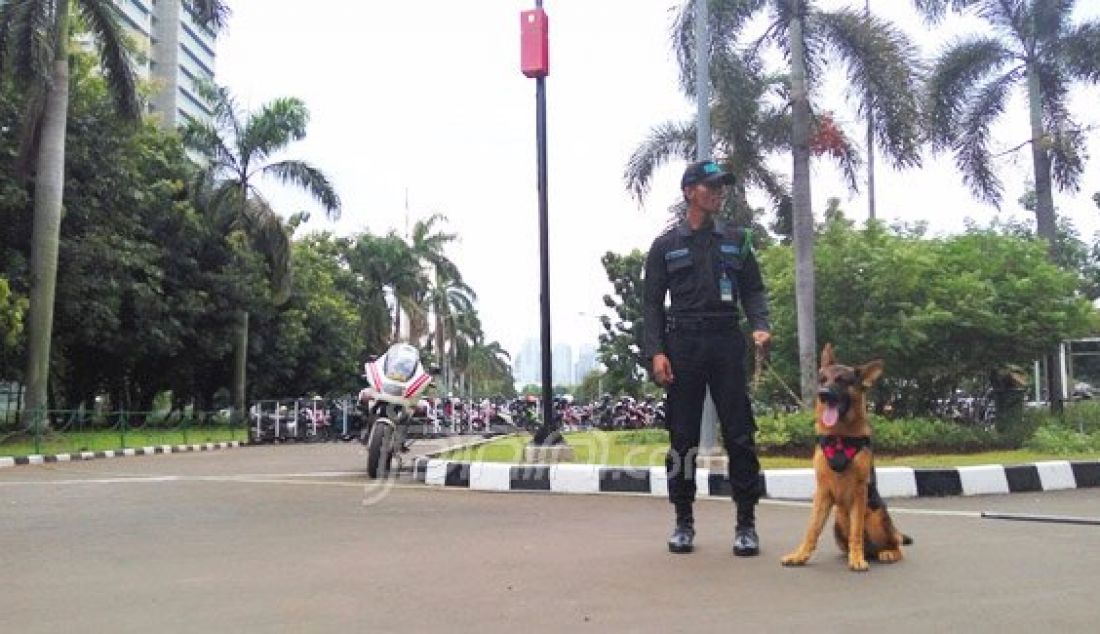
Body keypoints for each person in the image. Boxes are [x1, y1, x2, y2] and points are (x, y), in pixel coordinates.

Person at [642, 159, 772, 556]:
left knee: (740, 435)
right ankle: (683, 521)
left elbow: (753, 289)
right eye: (709, 186)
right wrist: (657, 352)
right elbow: (650, 306)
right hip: (683, 345)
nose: (718, 192)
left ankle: (746, 523)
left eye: (721, 186)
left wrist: (760, 324)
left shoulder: (737, 239)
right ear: (688, 192)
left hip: (725, 341)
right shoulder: (665, 246)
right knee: (682, 439)